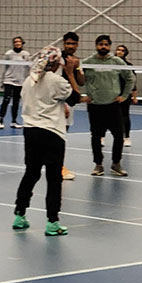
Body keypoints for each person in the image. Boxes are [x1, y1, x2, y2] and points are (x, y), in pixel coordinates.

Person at [12, 44, 73, 236]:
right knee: (54, 178)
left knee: (31, 173)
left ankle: (19, 215)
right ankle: (52, 222)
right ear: (57, 63)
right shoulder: (57, 80)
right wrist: (70, 73)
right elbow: (73, 97)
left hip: (30, 131)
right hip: (52, 132)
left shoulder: (28, 81)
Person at [81, 33, 135, 176]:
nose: (103, 47)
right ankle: (98, 165)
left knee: (118, 136)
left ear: (109, 46)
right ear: (96, 45)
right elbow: (79, 78)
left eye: (106, 44)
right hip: (95, 105)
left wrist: (124, 96)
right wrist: (82, 95)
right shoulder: (88, 62)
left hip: (112, 105)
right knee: (96, 136)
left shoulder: (117, 62)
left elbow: (130, 78)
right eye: (100, 44)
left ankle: (116, 164)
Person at [59, 31, 85, 180]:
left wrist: (76, 68)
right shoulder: (59, 60)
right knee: (59, 134)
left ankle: (58, 164)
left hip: (71, 100)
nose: (70, 46)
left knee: (64, 133)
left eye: (73, 44)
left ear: (77, 45)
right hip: (60, 101)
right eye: (68, 43)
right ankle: (59, 167)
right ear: (64, 44)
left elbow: (81, 82)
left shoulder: (76, 60)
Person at [0, 36, 28, 129]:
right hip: (8, 80)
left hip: (20, 81)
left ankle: (14, 121)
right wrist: (1, 81)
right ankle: (1, 120)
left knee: (16, 102)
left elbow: (29, 67)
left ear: (22, 43)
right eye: (15, 42)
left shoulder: (26, 54)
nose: (17, 43)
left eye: (19, 42)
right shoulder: (9, 54)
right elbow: (3, 68)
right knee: (6, 100)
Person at [114, 43, 139, 150]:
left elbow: (133, 82)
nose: (119, 51)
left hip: (125, 95)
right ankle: (102, 137)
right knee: (107, 116)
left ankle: (127, 137)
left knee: (125, 115)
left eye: (122, 50)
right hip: (112, 94)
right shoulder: (110, 64)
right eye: (118, 49)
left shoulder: (129, 66)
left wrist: (134, 96)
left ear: (125, 53)